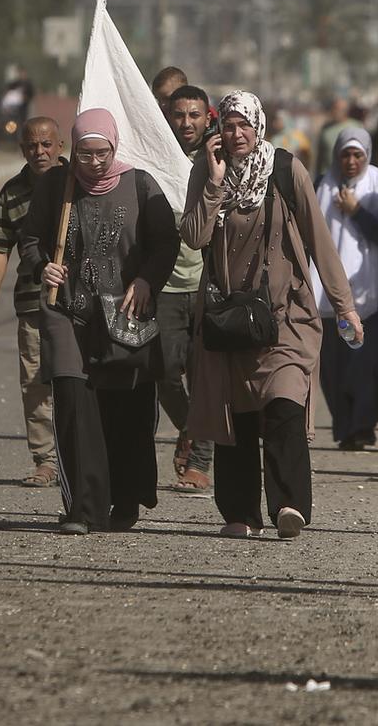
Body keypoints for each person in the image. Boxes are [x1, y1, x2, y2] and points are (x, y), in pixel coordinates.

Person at [180, 90, 360, 540]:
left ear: (258, 126)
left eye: (244, 124)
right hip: (228, 319)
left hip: (285, 317)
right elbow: (196, 236)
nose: (236, 133)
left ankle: (289, 504)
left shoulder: (284, 169)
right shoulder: (207, 169)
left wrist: (344, 307)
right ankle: (241, 513)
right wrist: (216, 182)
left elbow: (320, 240)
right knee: (237, 417)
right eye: (229, 124)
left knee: (283, 405)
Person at [19, 109, 180, 535]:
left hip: (125, 315)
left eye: (102, 153)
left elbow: (166, 241)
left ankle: (124, 499)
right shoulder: (57, 185)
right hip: (68, 313)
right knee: (73, 403)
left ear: (114, 147)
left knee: (126, 410)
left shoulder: (140, 185)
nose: (93, 163)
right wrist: (41, 268)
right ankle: (81, 509)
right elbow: (31, 238)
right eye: (85, 154)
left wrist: (147, 279)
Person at [0, 117, 66, 488]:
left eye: (47, 144)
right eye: (32, 146)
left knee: (76, 383)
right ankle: (45, 459)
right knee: (34, 383)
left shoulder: (78, 183)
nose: (40, 152)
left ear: (60, 146)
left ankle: (78, 453)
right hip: (32, 306)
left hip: (77, 307)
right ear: (23, 150)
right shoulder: (12, 193)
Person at [312, 127, 378, 451]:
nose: (351, 161)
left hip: (370, 294)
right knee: (334, 367)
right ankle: (346, 428)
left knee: (361, 365)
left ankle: (363, 425)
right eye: (345, 155)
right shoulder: (322, 185)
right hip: (329, 295)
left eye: (357, 155)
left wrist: (357, 212)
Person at [159, 82, 214, 492]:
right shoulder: (151, 157)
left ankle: (200, 463)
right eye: (179, 115)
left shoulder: (219, 159)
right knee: (162, 370)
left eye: (194, 115)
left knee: (206, 377)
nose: (186, 123)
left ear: (207, 117)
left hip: (208, 286)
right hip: (162, 286)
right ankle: (189, 427)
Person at [314, 96, 350, 178]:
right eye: (334, 108)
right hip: (327, 176)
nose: (336, 111)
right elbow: (320, 154)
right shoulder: (326, 128)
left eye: (339, 109)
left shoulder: (355, 126)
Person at [268, 105, 313, 169]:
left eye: (278, 120)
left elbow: (307, 156)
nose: (275, 123)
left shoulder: (299, 136)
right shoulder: (274, 138)